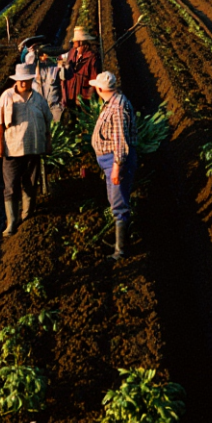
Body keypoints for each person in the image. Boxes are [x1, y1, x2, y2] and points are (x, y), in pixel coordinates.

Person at [0, 63, 53, 235]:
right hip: (12, 149)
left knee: (31, 183)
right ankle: (11, 222)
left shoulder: (38, 98)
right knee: (11, 185)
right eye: (21, 80)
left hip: (34, 148)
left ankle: (27, 215)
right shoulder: (7, 96)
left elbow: (48, 120)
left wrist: (48, 142)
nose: (24, 83)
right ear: (17, 80)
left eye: (27, 80)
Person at [89, 71, 137, 261]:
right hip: (110, 161)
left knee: (119, 203)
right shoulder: (113, 102)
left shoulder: (117, 108)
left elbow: (120, 141)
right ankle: (122, 242)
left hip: (115, 162)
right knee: (115, 199)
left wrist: (117, 165)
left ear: (101, 89)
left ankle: (121, 250)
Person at [61, 26, 101, 108]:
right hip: (70, 94)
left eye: (76, 41)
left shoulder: (92, 58)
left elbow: (94, 80)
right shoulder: (72, 52)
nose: (74, 44)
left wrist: (89, 98)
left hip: (83, 97)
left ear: (82, 42)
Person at [34, 45, 65, 124]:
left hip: (54, 107)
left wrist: (63, 66)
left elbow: (64, 78)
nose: (45, 57)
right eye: (43, 55)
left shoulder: (55, 68)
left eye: (46, 55)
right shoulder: (34, 69)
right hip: (39, 107)